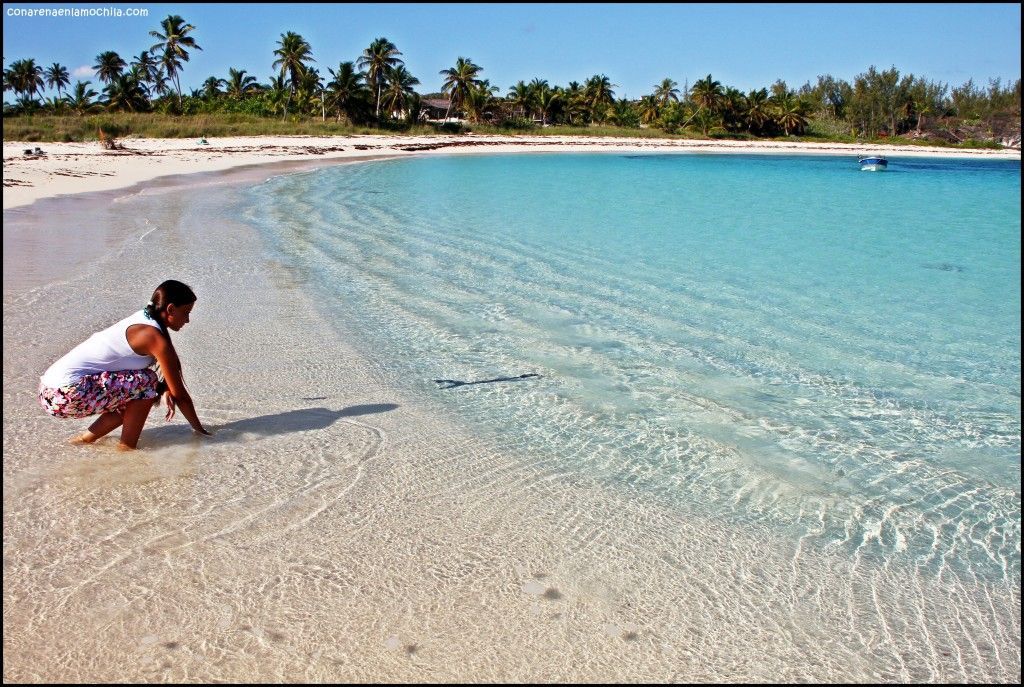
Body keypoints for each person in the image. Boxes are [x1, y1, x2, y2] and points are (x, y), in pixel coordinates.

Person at [38, 279, 212, 450]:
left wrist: (164, 388)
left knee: (139, 389)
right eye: (186, 313)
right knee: (147, 382)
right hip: (66, 393)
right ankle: (126, 447)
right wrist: (201, 431)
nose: (187, 320)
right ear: (170, 309)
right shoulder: (152, 336)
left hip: (49, 392)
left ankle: (85, 439)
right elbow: (180, 395)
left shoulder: (145, 318)